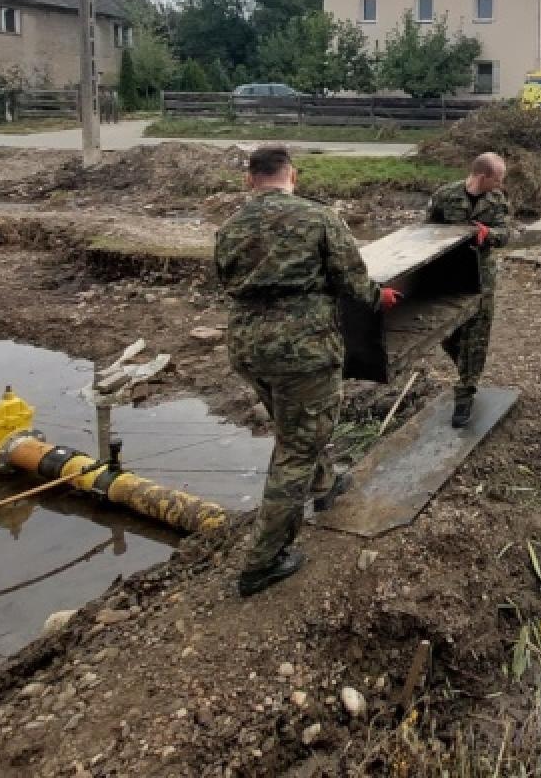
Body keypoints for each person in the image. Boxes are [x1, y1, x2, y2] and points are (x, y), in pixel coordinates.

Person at [215, 146, 399, 597]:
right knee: (296, 448)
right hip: (304, 351)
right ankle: (262, 561)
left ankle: (326, 483)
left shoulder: (231, 225)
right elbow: (353, 282)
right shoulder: (319, 218)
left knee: (295, 426)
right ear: (292, 175)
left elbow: (225, 280)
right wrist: (379, 298)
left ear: (249, 180)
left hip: (248, 348)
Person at [426, 153, 513, 427]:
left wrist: (489, 234)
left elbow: (506, 234)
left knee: (477, 337)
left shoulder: (497, 200)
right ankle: (467, 366)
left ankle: (465, 394)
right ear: (483, 176)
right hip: (449, 277)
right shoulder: (445, 196)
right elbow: (426, 232)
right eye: (498, 178)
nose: (500, 184)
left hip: (481, 278)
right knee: (447, 334)